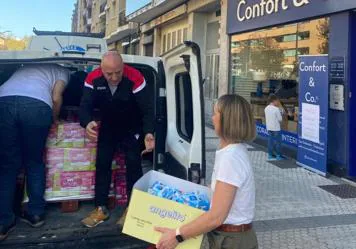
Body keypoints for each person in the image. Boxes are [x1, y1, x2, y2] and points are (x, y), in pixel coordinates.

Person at [154, 94, 258, 249]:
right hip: (227, 236)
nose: (213, 118)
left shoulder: (231, 158)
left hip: (232, 240)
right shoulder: (230, 151)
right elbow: (219, 193)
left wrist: (177, 235)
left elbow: (216, 217)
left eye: (216, 113)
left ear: (227, 120)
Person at [79, 51, 155, 228]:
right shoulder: (92, 78)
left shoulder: (135, 77)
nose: (114, 77)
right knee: (102, 164)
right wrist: (87, 122)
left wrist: (149, 133)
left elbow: (148, 109)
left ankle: (132, 208)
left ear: (123, 67)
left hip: (132, 127)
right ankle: (100, 208)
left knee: (133, 164)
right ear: (101, 69)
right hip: (108, 126)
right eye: (109, 73)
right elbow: (85, 105)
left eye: (118, 72)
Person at [0, 64, 70, 241]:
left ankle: (4, 221)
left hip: (3, 102)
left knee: (7, 165)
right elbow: (56, 98)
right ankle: (35, 213)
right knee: (34, 161)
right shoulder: (63, 71)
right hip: (36, 106)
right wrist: (54, 119)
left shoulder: (24, 67)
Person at [264, 94, 283, 161]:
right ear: (274, 101)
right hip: (276, 128)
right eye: (277, 101)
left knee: (270, 141)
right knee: (278, 142)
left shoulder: (266, 108)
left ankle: (270, 155)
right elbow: (280, 119)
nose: (278, 102)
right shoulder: (276, 109)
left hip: (269, 127)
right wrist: (281, 112)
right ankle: (278, 155)